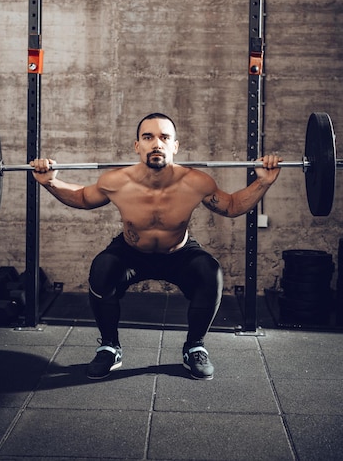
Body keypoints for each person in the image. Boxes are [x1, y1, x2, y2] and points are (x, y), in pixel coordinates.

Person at [31, 113, 281, 381]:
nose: (156, 144)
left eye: (164, 137)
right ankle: (109, 347)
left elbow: (231, 206)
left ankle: (195, 347)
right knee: (102, 267)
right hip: (130, 253)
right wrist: (51, 182)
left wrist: (263, 181)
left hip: (179, 254)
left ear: (175, 145)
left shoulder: (196, 182)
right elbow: (82, 197)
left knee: (210, 272)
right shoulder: (117, 181)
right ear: (137, 145)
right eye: (148, 137)